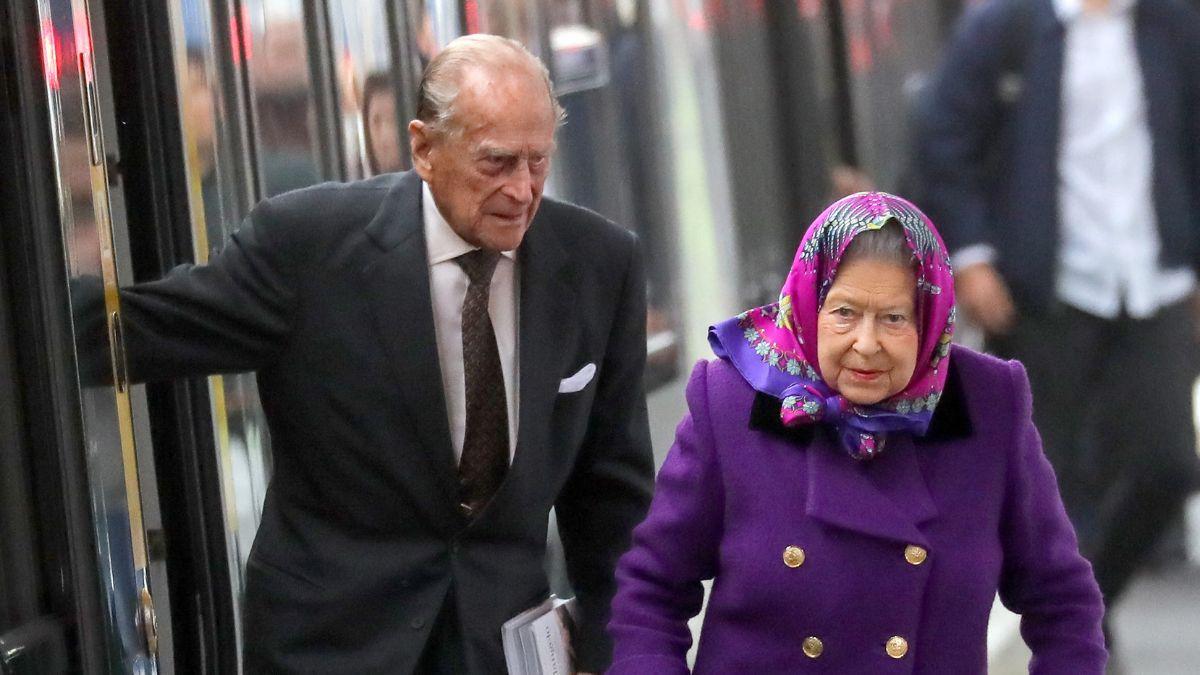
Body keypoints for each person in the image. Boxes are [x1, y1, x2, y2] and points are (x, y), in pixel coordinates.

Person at [105, 34, 653, 673]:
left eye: (539, 162)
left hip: (504, 650)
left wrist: (622, 653)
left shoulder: (599, 264)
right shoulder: (308, 248)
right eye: (497, 163)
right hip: (333, 648)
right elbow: (143, 329)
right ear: (422, 147)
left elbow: (613, 499)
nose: (523, 190)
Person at [607, 192, 1106, 673]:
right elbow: (652, 591)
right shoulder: (734, 401)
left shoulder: (988, 403)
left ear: (930, 319)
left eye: (893, 318)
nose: (866, 345)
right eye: (844, 312)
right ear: (809, 304)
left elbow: (1061, 599)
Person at [914, 0, 1200, 646]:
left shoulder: (1175, 24)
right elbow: (943, 142)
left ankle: (1080, 610)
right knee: (1056, 484)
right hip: (1043, 290)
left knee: (1170, 461)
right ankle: (1086, 638)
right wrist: (972, 256)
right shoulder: (1004, 27)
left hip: (1153, 280)